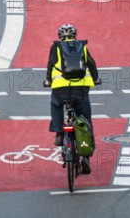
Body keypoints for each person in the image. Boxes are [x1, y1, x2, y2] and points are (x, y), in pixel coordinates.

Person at [44, 24, 99, 175]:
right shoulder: (82, 46)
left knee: (56, 104)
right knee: (85, 120)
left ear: (59, 36)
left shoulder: (55, 48)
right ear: (75, 35)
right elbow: (91, 65)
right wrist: (95, 79)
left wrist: (48, 80)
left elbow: (50, 66)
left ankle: (59, 132)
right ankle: (86, 158)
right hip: (80, 89)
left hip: (60, 89)